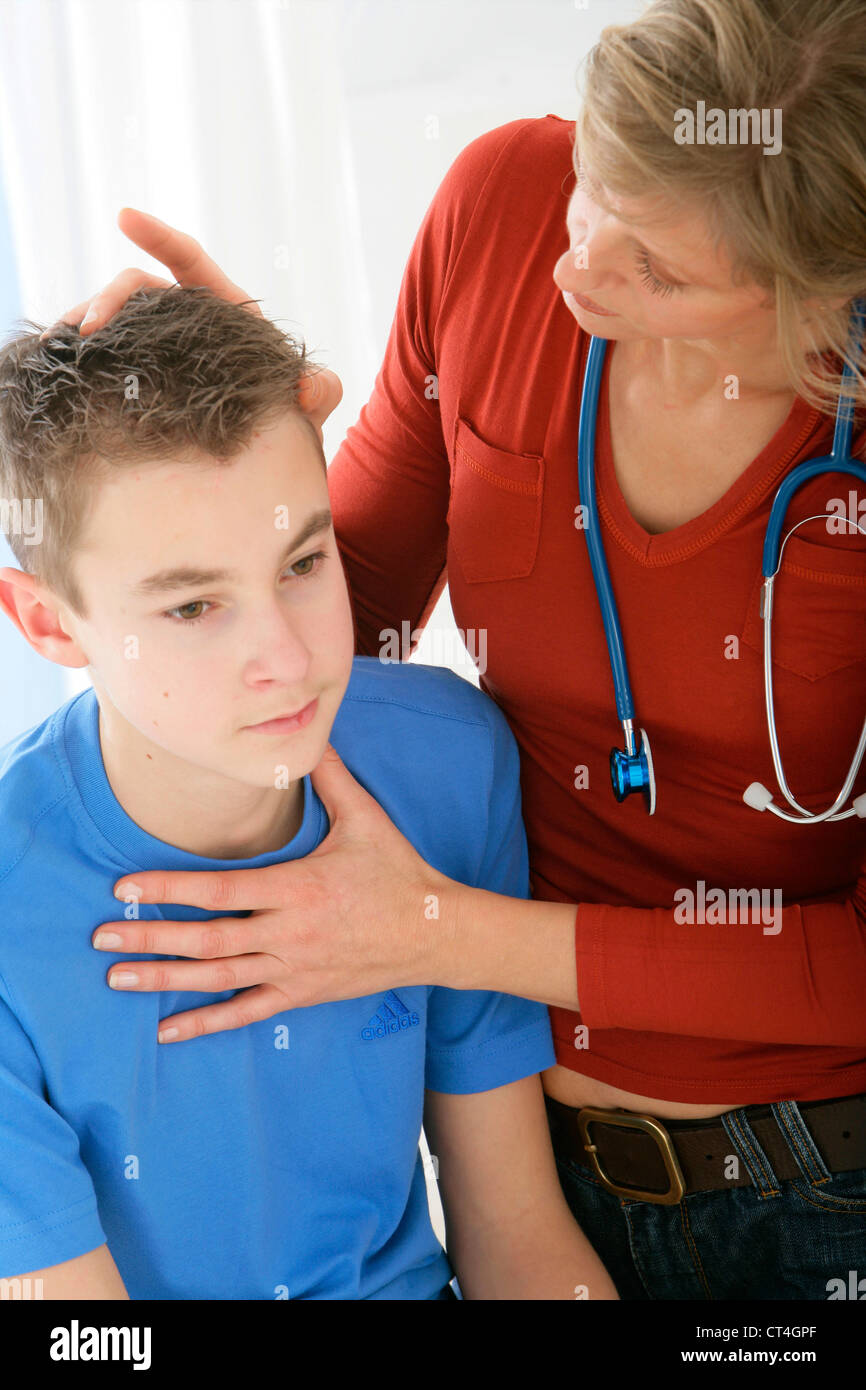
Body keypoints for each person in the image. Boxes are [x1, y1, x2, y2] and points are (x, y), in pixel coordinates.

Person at [45, 0, 866, 1299]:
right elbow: (338, 626)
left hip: (818, 1194)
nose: (578, 265)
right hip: (527, 1157)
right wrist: (245, 447)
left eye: (661, 272)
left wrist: (446, 932)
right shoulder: (503, 206)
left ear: (830, 302)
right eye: (594, 188)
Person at [0, 284, 620, 1300]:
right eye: (195, 603)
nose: (286, 659)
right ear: (49, 623)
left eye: (302, 562)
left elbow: (515, 1232)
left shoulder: (446, 763)